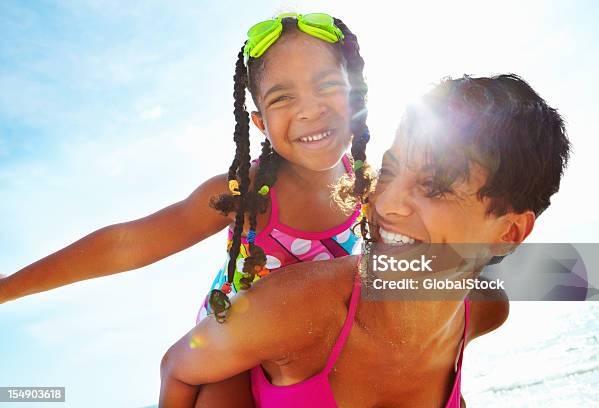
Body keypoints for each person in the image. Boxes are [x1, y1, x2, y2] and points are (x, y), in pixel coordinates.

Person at [0, 12, 374, 406]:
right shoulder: (246, 194)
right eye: (283, 97)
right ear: (260, 122)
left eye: (327, 85)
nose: (309, 110)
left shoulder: (377, 192)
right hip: (235, 346)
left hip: (318, 341)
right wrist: (8, 287)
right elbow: (126, 243)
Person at [159, 74, 571, 407]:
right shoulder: (297, 307)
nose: (387, 203)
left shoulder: (485, 309)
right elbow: (178, 368)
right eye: (389, 172)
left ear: (508, 233)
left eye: (435, 188)